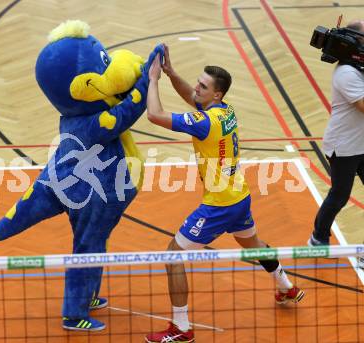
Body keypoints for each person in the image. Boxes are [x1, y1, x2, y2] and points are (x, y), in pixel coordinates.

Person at [144, 45, 304, 343]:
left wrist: (153, 79)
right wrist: (171, 73)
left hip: (218, 206)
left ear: (216, 94)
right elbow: (191, 98)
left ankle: (181, 328)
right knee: (254, 245)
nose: (197, 88)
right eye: (198, 83)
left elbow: (154, 115)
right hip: (239, 196)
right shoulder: (225, 111)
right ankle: (285, 286)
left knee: (172, 257)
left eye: (203, 86)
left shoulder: (205, 123)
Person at [308, 20, 364, 248]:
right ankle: (318, 237)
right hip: (344, 148)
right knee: (339, 196)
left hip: (362, 144)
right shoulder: (346, 73)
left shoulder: (359, 68)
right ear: (353, 42)